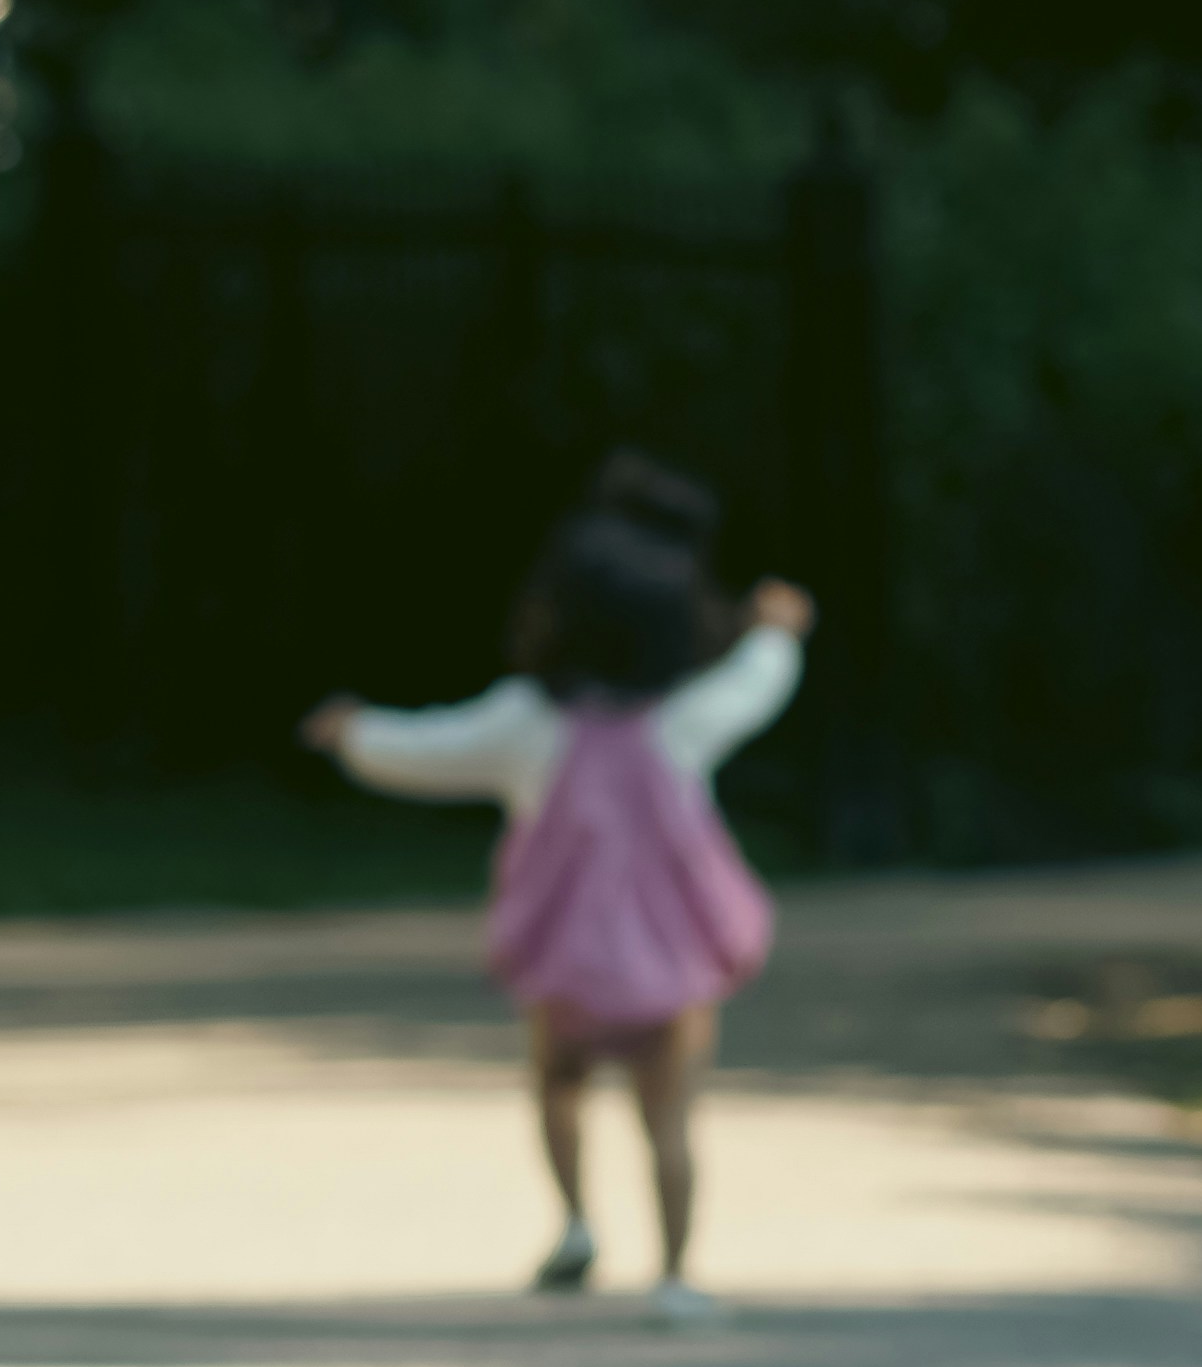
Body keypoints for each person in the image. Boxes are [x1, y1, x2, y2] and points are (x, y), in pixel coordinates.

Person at [305, 456, 818, 1323]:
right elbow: (757, 684)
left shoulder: (530, 724)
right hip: (670, 961)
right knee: (670, 1120)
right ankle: (675, 1273)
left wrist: (356, 734)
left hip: (566, 959)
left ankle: (576, 1221)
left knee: (557, 1085)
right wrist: (776, 629)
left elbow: (431, 748)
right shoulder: (681, 720)